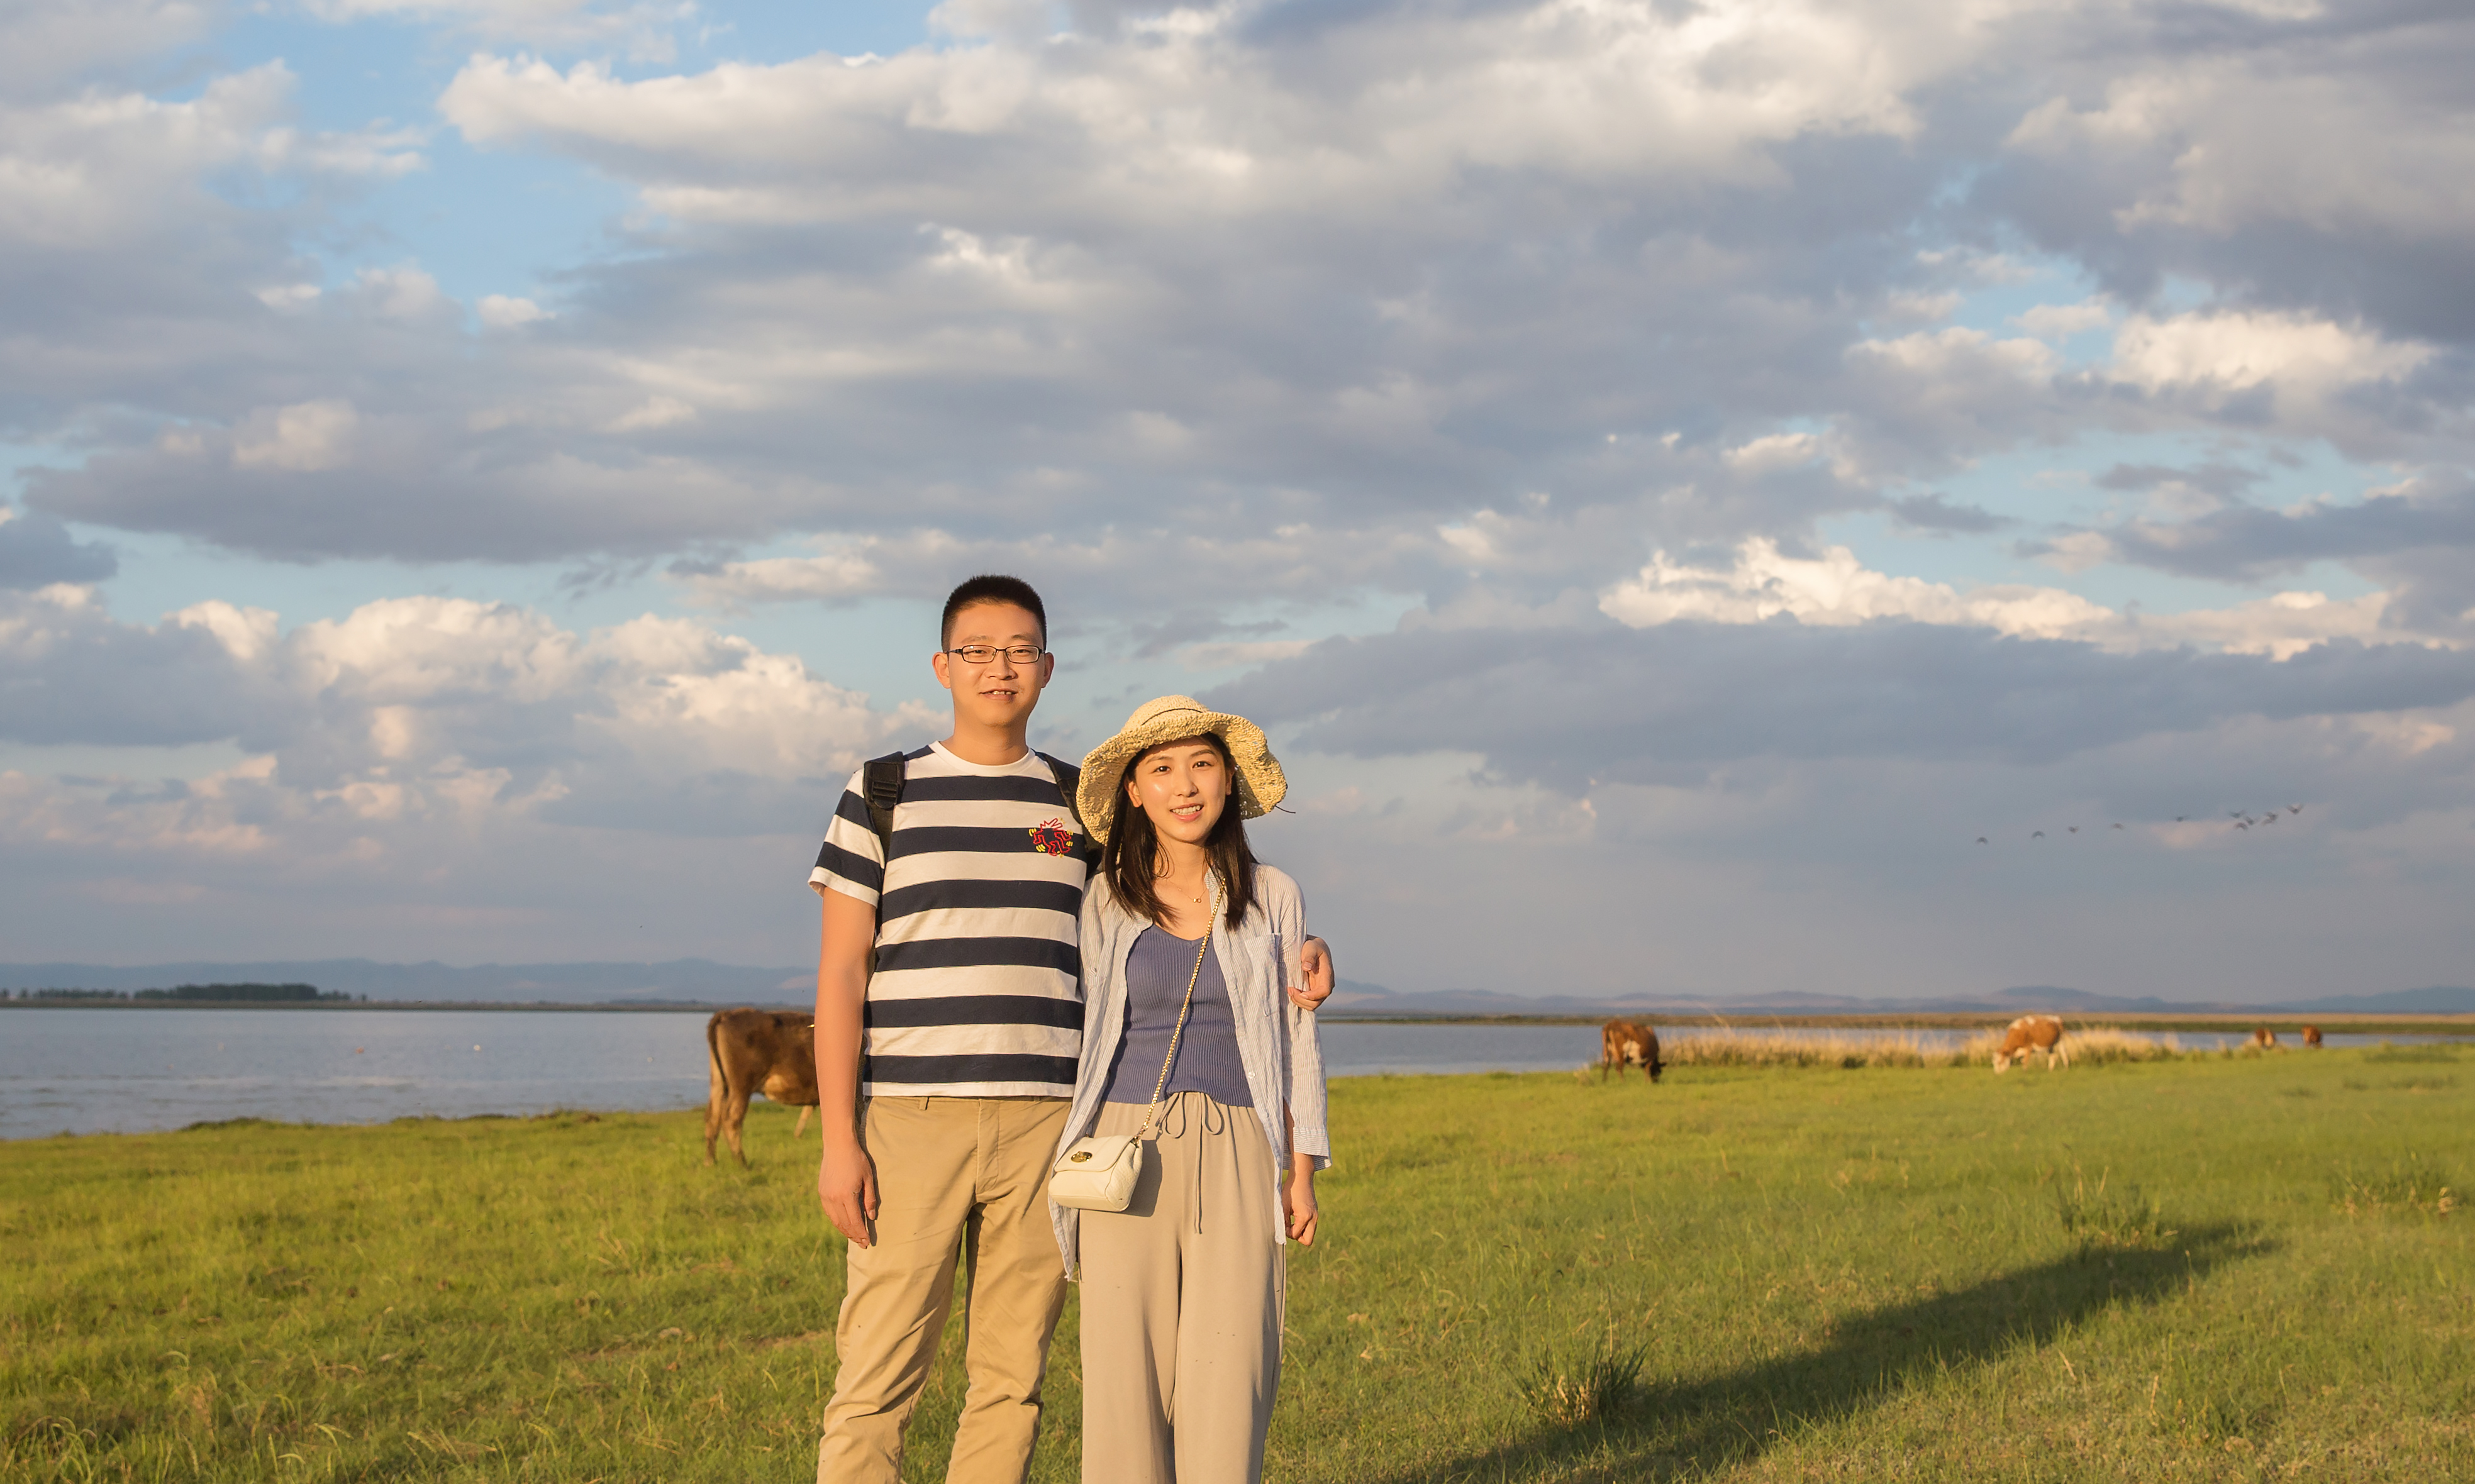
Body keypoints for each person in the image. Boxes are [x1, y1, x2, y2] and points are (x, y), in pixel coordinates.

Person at [807, 579, 1334, 1484]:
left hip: (1049, 1123)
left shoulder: (1073, 812)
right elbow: (841, 973)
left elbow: (1176, 901)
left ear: (1046, 668)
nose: (999, 667)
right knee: (877, 1372)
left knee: (1012, 1379)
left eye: (1019, 650)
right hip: (910, 1117)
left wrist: (1303, 942)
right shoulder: (883, 791)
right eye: (977, 650)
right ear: (942, 665)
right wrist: (836, 1140)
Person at [1051, 695, 1331, 1484]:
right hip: (1124, 1146)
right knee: (1123, 1380)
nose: (1184, 785)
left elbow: (1295, 1036)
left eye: (1202, 764)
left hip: (1240, 1147)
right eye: (1161, 768)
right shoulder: (1105, 895)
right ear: (1133, 790)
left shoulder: (1273, 894)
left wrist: (1300, 1169)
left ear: (1227, 779)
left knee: (1230, 1377)